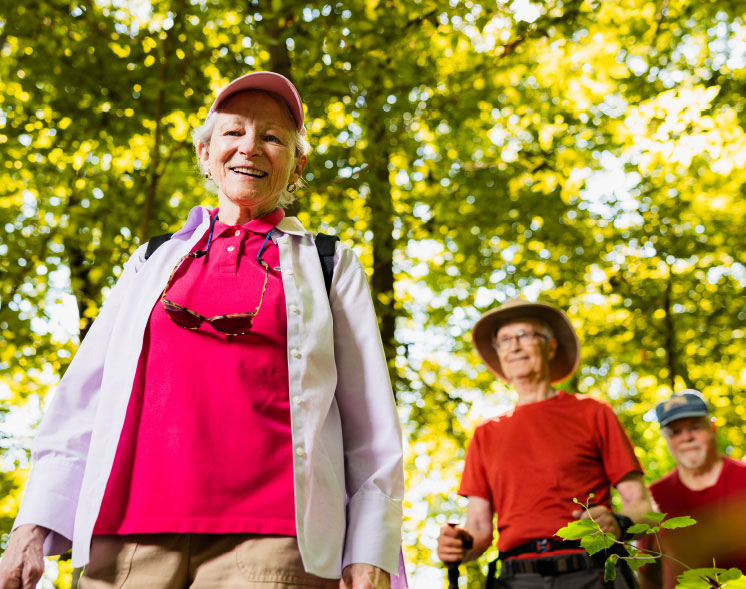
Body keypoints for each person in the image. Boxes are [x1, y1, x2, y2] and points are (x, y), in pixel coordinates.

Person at [0, 71, 405, 589]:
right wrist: (31, 526)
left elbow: (371, 424)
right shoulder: (151, 260)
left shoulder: (328, 264)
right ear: (205, 152)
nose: (251, 148)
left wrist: (370, 550)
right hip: (126, 540)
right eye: (234, 132)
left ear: (296, 165)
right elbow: (84, 400)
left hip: (275, 542)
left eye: (273, 137)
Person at [437, 297, 654, 588]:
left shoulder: (593, 413)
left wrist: (619, 523)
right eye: (504, 340)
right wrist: (459, 545)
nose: (514, 346)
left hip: (594, 572)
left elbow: (642, 505)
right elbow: (478, 528)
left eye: (524, 335)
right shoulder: (485, 433)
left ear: (550, 346)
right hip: (516, 578)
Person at [638, 390, 746, 589]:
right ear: (666, 439)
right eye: (676, 432)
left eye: (694, 427)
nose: (686, 437)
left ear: (712, 426)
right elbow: (647, 573)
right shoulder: (654, 497)